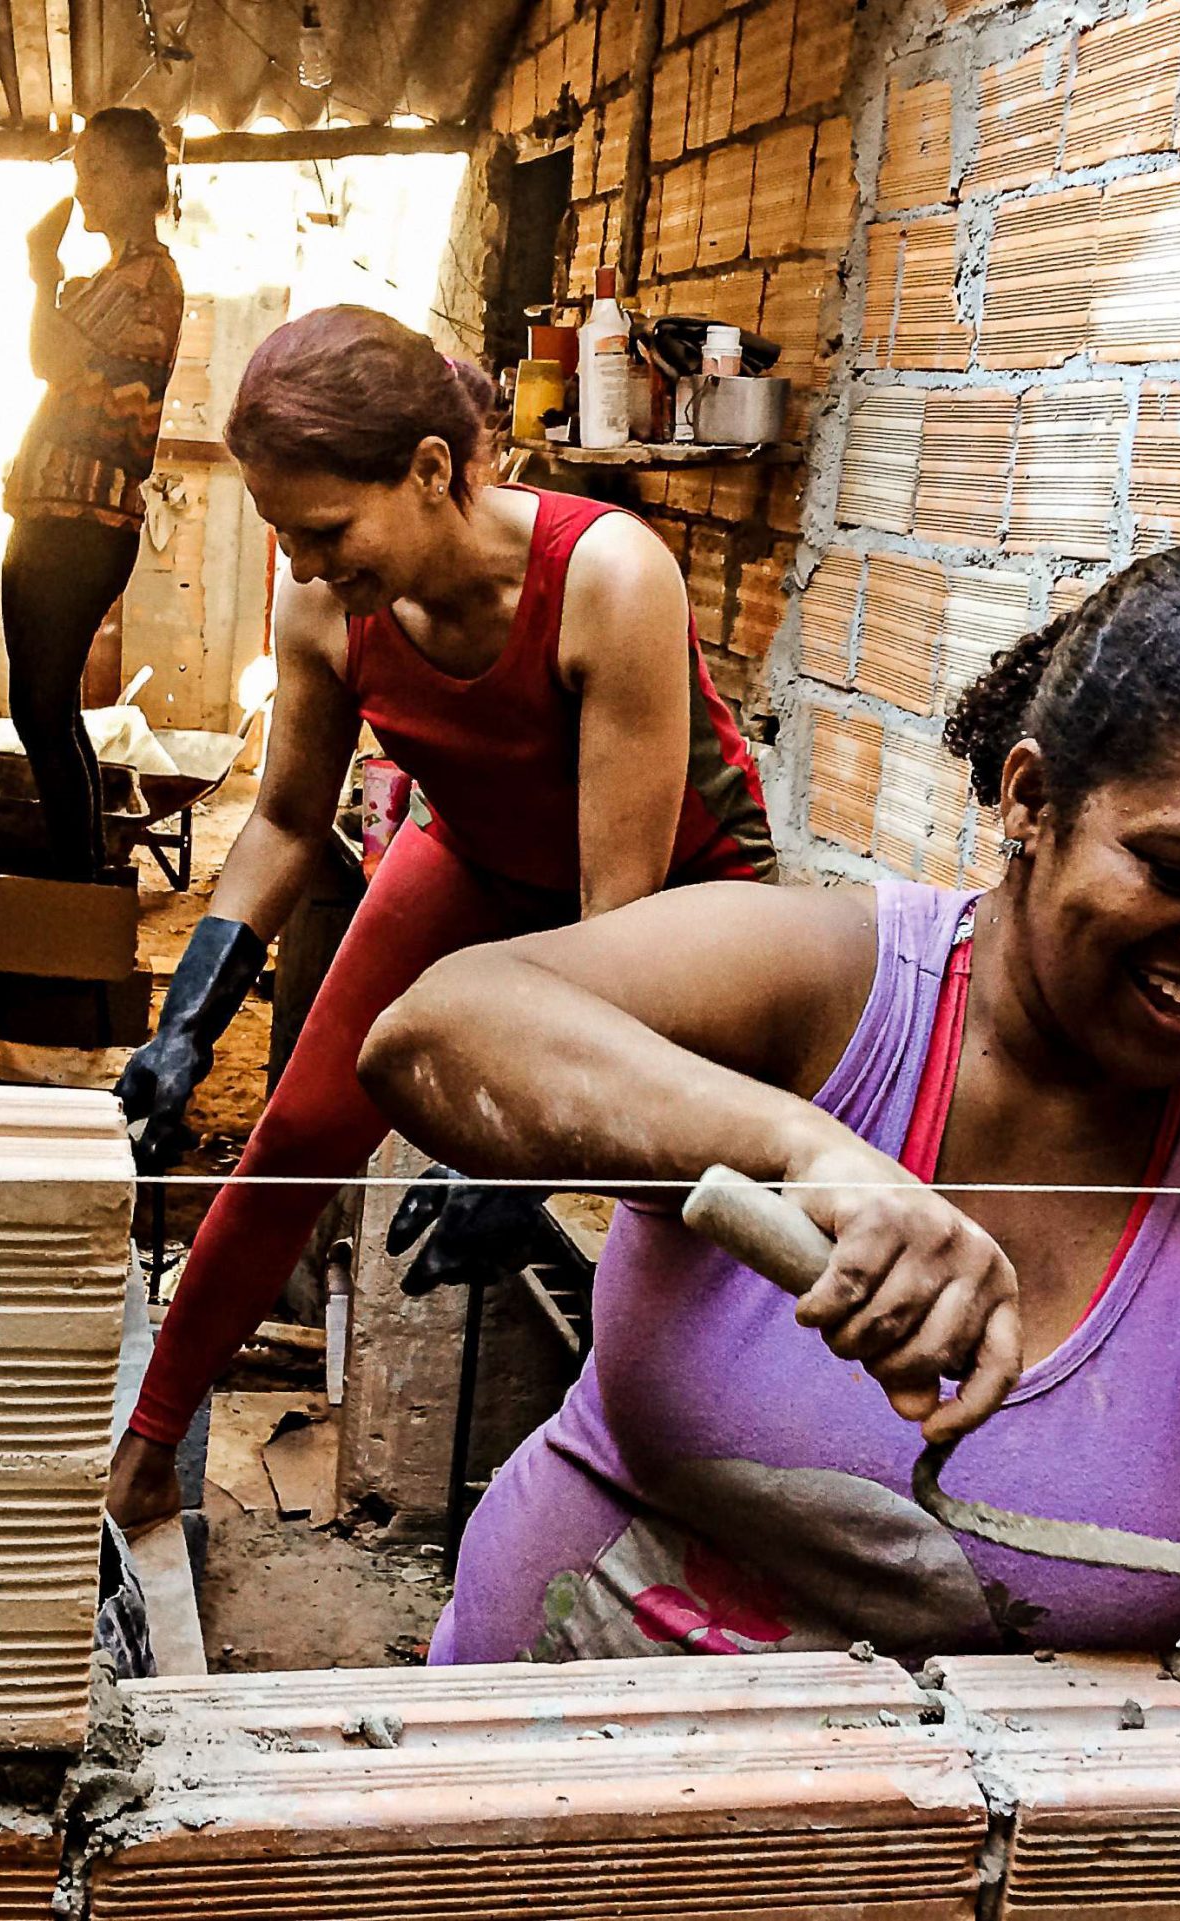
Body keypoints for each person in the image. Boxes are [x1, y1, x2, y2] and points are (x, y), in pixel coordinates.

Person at [355, 546, 1180, 1662]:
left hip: (962, 1829)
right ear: (1031, 799)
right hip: (544, 1759)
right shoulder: (829, 989)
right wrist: (804, 1155)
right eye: (1179, 868)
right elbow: (435, 1031)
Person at [107, 305, 776, 1531]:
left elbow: (610, 930)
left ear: (429, 471)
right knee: (302, 1123)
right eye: (279, 533)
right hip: (478, 850)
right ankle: (144, 1450)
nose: (302, 565)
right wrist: (190, 1014)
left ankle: (666, 1504)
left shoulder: (609, 578)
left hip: (673, 901)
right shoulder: (322, 607)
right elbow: (286, 821)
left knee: (659, 1196)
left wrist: (530, 1158)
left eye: (322, 531)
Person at [0, 107, 185, 881]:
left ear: (148, 180)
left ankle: (74, 886)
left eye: (100, 169)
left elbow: (46, 354)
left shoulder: (145, 275)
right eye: (79, 169)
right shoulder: (113, 277)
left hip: (83, 517)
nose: (84, 187)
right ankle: (77, 881)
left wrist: (42, 268)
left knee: (42, 708)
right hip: (61, 513)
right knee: (48, 708)